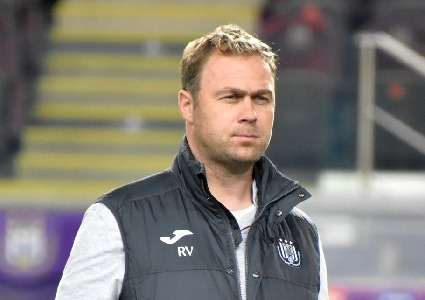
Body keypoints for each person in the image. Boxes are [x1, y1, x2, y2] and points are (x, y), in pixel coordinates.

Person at [56, 24, 329, 300]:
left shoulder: (304, 235)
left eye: (261, 98)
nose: (249, 113)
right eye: (231, 97)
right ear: (188, 105)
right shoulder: (117, 219)